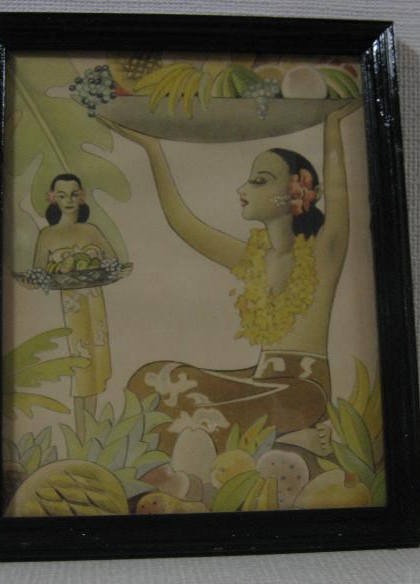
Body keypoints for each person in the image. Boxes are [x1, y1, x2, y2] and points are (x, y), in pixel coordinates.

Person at [101, 101, 360, 453]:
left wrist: (332, 123)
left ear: (296, 191)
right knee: (151, 382)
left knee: (197, 416)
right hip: (260, 383)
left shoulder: (323, 254)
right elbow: (183, 222)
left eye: (259, 181)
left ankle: (287, 437)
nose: (242, 189)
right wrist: (152, 148)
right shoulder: (254, 260)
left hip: (303, 392)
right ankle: (280, 437)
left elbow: (340, 192)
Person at [32, 174, 116, 438]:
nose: (68, 200)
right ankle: (81, 436)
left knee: (96, 366)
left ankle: (90, 435)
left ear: (81, 196)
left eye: (73, 194)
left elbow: (113, 262)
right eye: (62, 195)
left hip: (95, 304)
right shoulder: (47, 235)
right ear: (53, 198)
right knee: (80, 369)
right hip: (70, 308)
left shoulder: (91, 231)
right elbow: (37, 274)